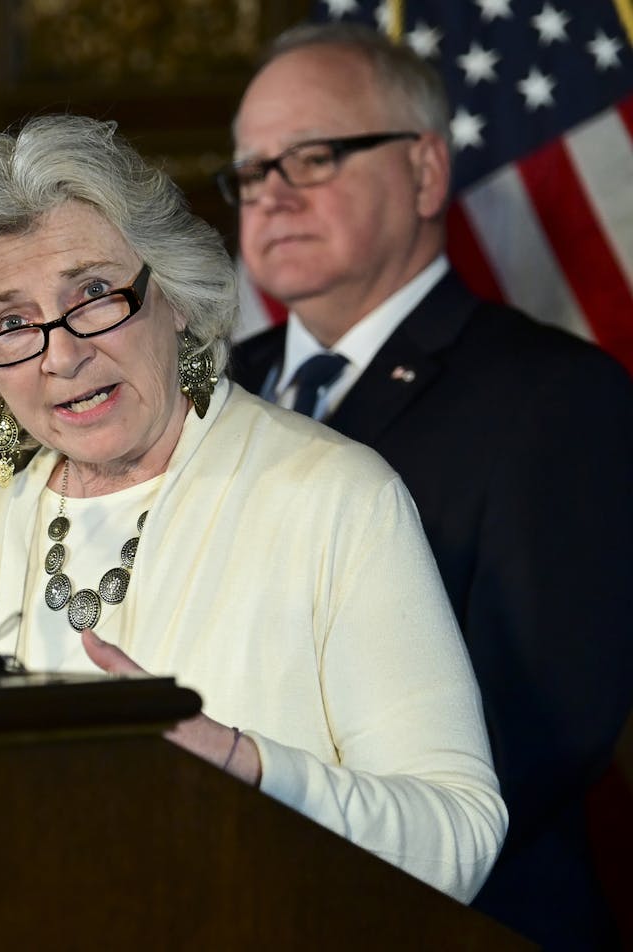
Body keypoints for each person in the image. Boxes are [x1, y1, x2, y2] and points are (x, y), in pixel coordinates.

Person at [0, 113, 506, 902]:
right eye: (10, 323)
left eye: (94, 294)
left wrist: (245, 766)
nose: (63, 352)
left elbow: (460, 837)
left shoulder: (335, 498)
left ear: (173, 296)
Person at [222, 23, 633, 948]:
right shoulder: (199, 393)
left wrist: (308, 852)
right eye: (250, 172)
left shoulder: (557, 397)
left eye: (313, 157)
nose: (271, 196)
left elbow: (551, 722)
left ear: (426, 173)